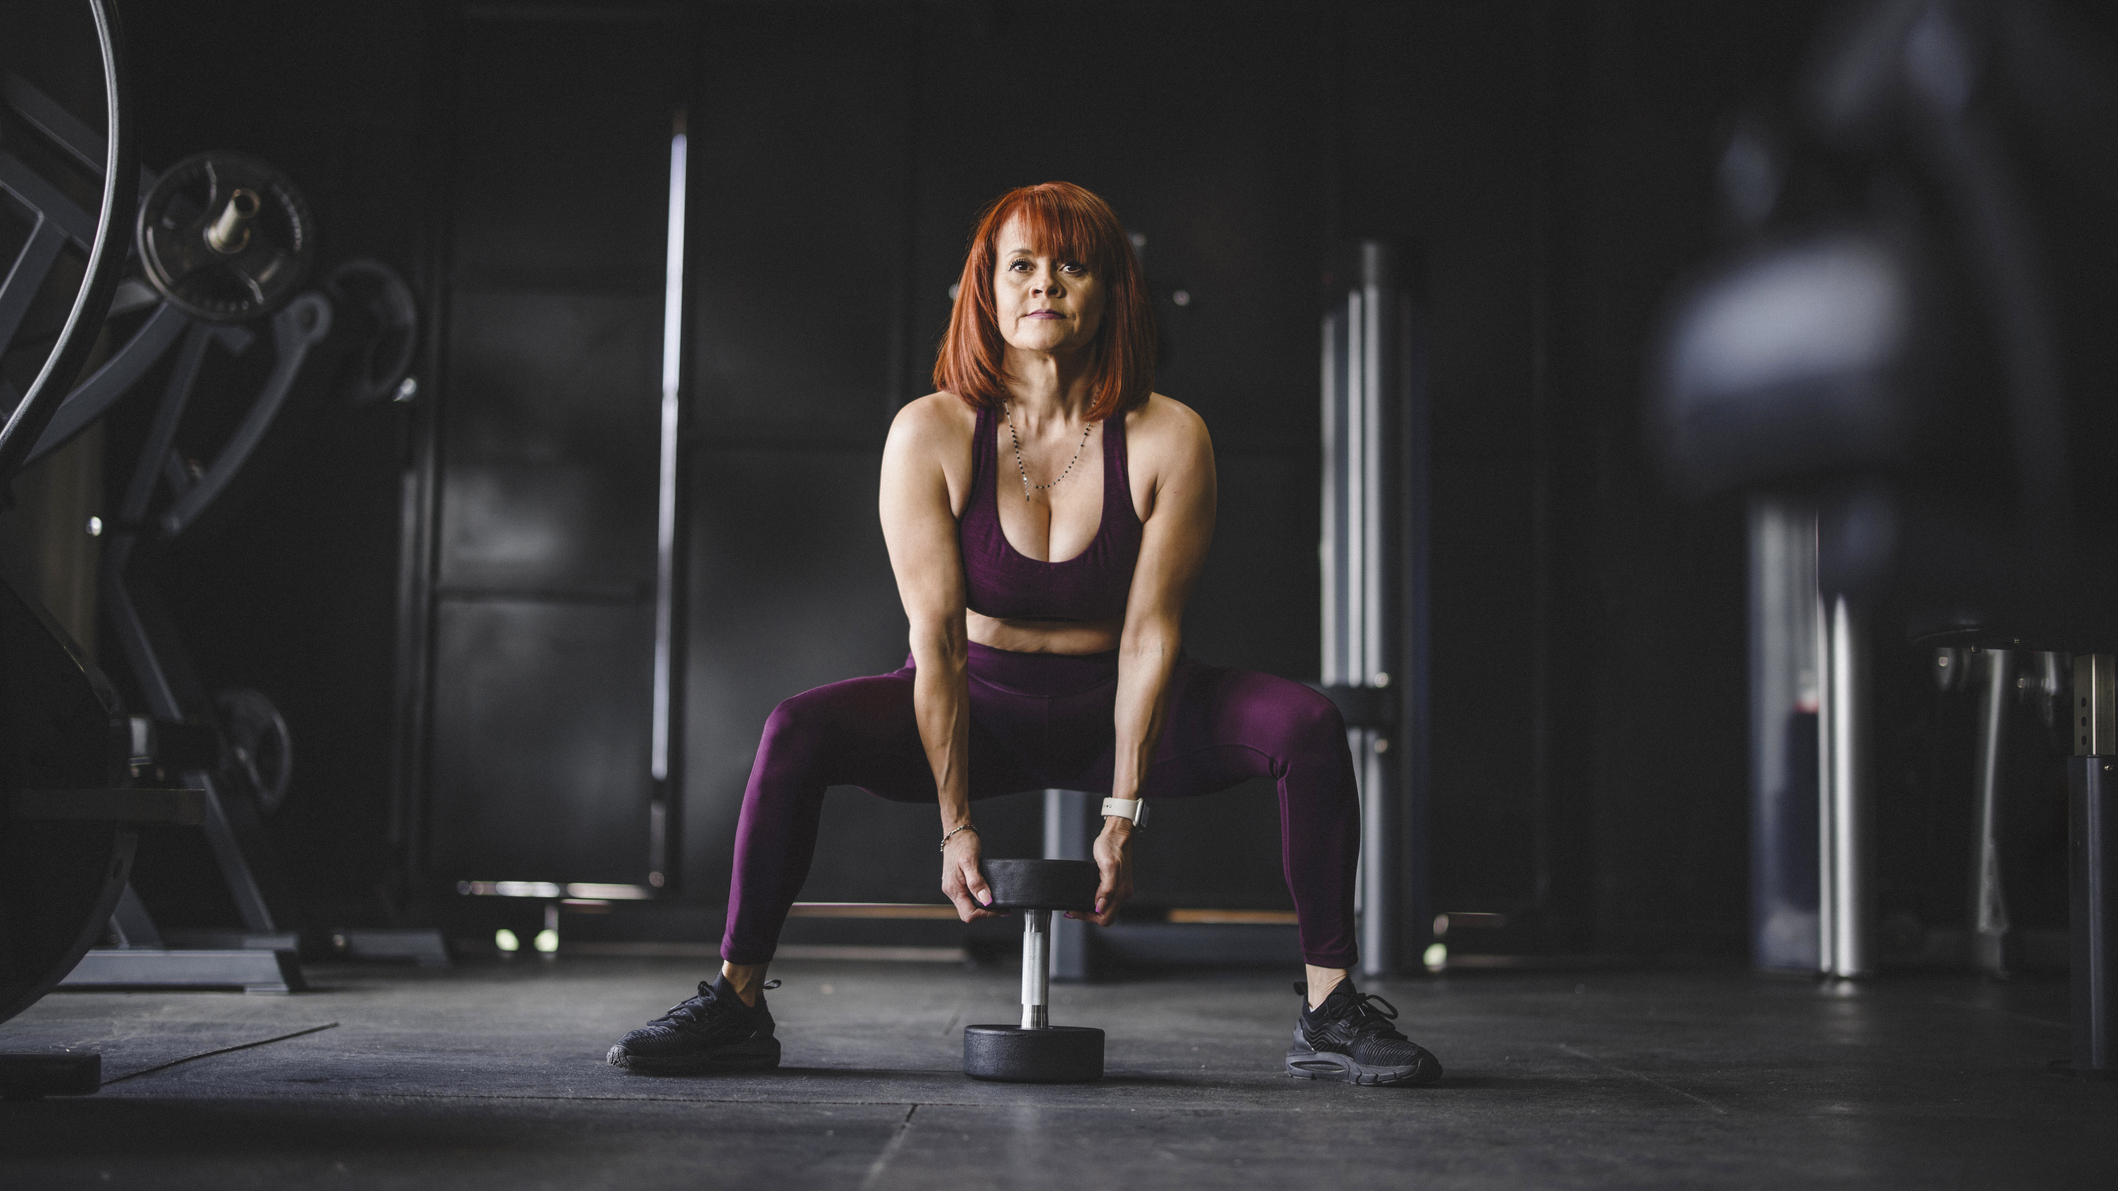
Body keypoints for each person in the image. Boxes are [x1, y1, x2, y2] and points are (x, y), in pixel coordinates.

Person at [606, 181, 1441, 1087]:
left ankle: (1329, 1006)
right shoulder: (927, 433)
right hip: (980, 703)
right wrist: (955, 825)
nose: (1046, 284)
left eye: (1072, 266)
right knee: (794, 731)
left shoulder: (1169, 436)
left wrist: (1122, 816)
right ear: (988, 291)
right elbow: (940, 646)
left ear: (1110, 291)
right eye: (1023, 266)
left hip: (1118, 703)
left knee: (1307, 726)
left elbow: (1150, 637)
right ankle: (736, 1002)